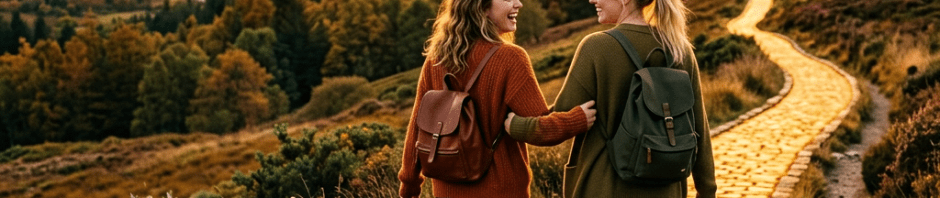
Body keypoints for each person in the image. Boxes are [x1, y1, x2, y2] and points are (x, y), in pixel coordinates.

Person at [504, 0, 717, 197]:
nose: (592, 0)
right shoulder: (679, 49)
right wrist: (707, 191)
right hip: (667, 190)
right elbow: (700, 130)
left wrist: (514, 124)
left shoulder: (596, 47)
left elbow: (555, 124)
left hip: (604, 188)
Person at [397, 0, 597, 197]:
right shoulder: (510, 58)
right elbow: (540, 130)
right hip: (501, 190)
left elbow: (417, 129)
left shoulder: (435, 59)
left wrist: (409, 184)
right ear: (482, 8)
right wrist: (577, 119)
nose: (519, 4)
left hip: (446, 190)